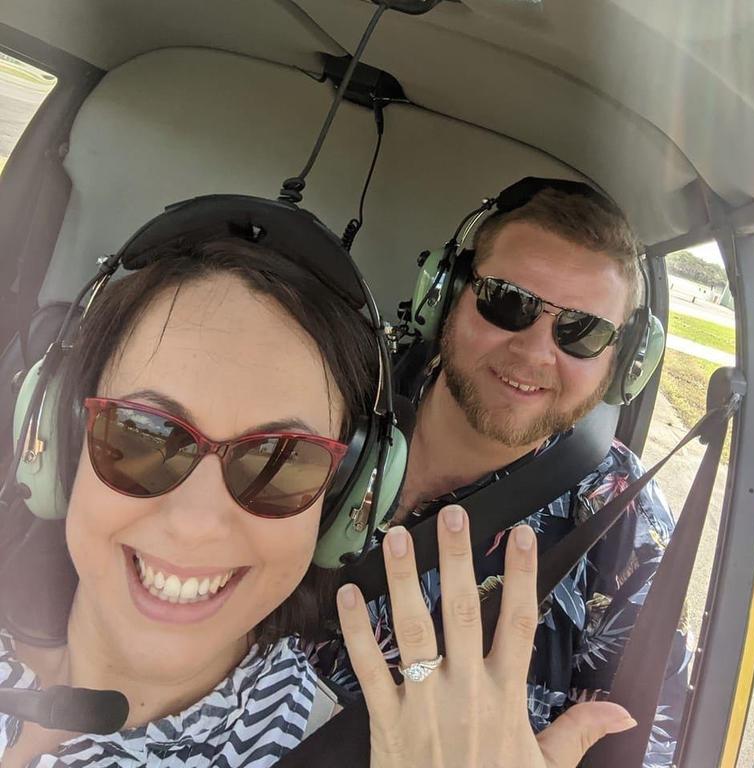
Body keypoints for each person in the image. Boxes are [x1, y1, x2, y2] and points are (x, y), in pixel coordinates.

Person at [0, 225, 636, 768]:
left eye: (281, 462)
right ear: (58, 437)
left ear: (339, 510)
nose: (195, 524)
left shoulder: (332, 744)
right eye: (143, 435)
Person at [320, 179, 687, 768]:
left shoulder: (621, 527)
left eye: (583, 332)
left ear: (625, 362)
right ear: (445, 295)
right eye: (507, 301)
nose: (536, 352)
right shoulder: (328, 400)